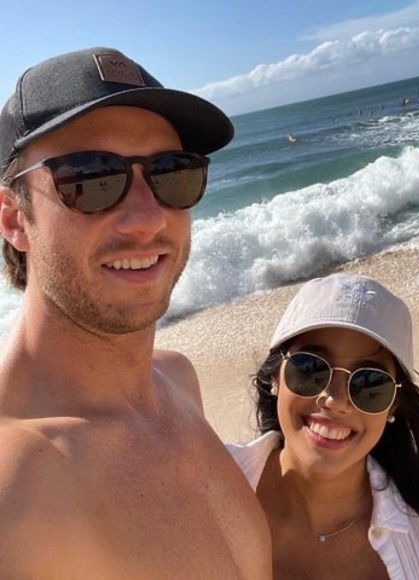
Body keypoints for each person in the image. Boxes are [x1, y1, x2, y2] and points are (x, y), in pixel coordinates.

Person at [0, 47, 271, 579]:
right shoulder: (14, 489)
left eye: (172, 173)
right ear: (13, 218)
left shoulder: (177, 381)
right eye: (91, 178)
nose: (148, 219)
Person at [229, 273, 419, 579]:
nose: (336, 401)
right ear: (275, 377)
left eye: (370, 384)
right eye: (310, 368)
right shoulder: (204, 489)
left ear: (394, 406)